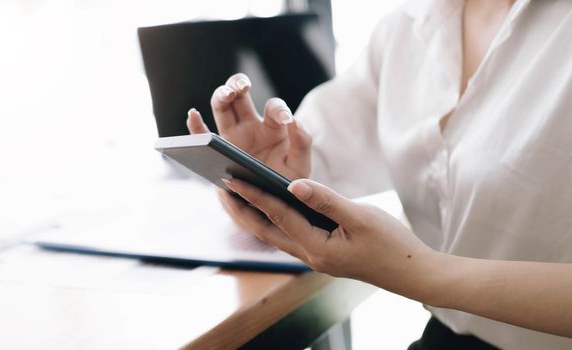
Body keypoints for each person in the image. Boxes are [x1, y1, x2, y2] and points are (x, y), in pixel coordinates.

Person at [186, 0, 572, 349]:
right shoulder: (407, 26)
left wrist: (423, 273)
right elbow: (316, 151)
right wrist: (265, 170)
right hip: (450, 338)